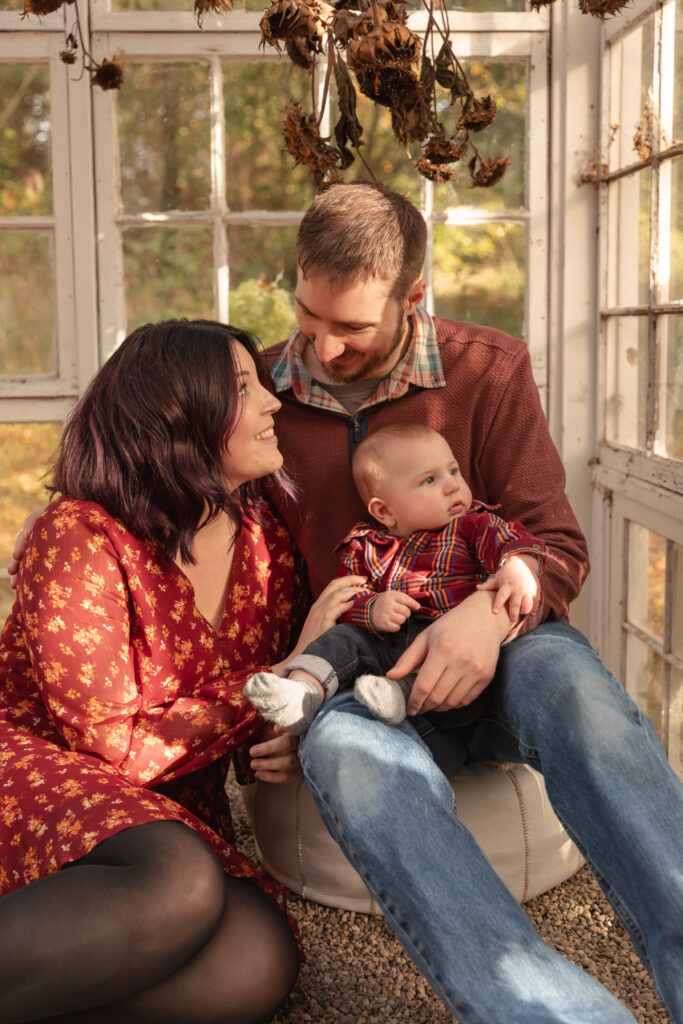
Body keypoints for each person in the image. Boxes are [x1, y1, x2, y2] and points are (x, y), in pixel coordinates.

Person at [257, 182, 682, 1024]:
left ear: (412, 297)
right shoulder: (264, 395)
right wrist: (284, 685)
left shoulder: (489, 369)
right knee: (347, 759)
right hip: (367, 671)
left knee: (577, 695)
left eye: (351, 327)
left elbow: (554, 544)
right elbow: (251, 571)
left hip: (513, 651)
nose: (323, 349)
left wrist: (484, 618)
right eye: (310, 316)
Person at [0, 318, 365, 1024]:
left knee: (255, 957)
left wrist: (285, 719)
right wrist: (275, 678)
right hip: (31, 771)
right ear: (176, 412)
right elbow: (113, 748)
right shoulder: (79, 533)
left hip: (164, 811)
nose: (271, 404)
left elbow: (265, 710)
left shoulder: (268, 546)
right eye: (242, 388)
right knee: (179, 879)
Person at [245, 421, 546, 734]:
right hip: (383, 648)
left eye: (453, 471)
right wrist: (373, 608)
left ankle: (399, 696)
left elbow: (514, 540)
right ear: (384, 512)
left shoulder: (472, 526)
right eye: (429, 480)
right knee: (339, 640)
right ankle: (301, 694)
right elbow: (346, 600)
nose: (452, 485)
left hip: (449, 652)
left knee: (438, 658)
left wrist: (518, 566)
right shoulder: (365, 546)